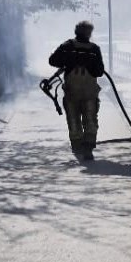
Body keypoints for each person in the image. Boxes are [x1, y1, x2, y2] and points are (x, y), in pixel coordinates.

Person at [49, 20, 105, 160]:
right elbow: (99, 72)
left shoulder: (67, 46)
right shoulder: (94, 49)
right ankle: (88, 148)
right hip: (89, 93)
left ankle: (78, 147)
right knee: (90, 120)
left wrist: (68, 60)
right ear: (89, 33)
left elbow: (53, 60)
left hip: (72, 93)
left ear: (76, 31)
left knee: (73, 121)